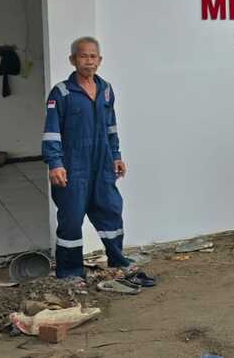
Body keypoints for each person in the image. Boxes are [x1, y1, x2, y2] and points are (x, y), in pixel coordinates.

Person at [43, 37, 147, 286]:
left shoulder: (106, 90)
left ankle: (118, 260)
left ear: (99, 60)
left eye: (93, 56)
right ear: (72, 60)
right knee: (71, 218)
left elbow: (111, 127)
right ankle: (70, 271)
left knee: (111, 210)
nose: (88, 61)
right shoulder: (62, 92)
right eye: (83, 56)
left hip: (102, 164)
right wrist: (55, 162)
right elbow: (52, 131)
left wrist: (116, 155)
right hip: (72, 166)